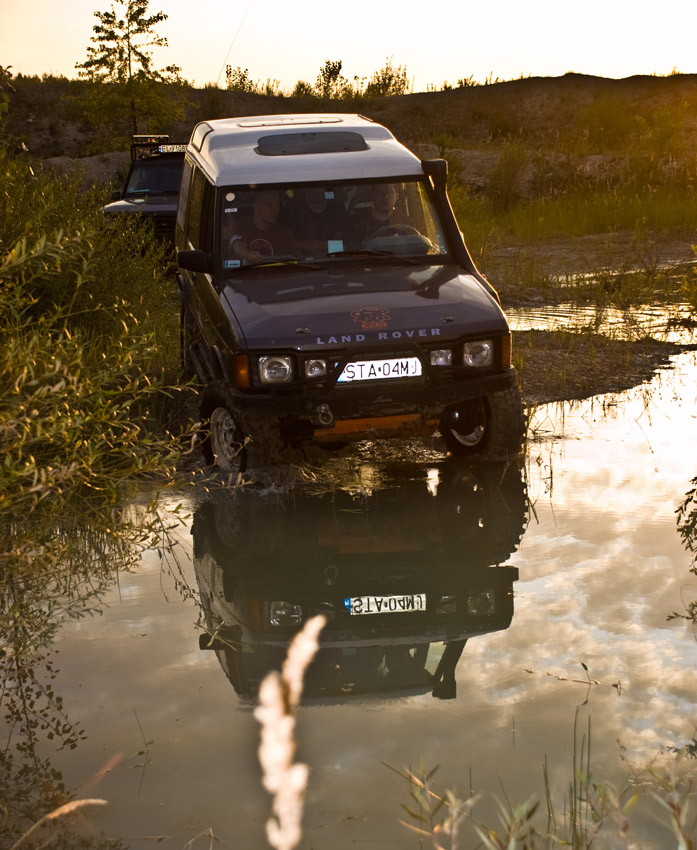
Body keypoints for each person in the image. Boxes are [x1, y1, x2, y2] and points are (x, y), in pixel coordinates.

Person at [229, 190, 298, 263]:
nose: (275, 210)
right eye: (269, 204)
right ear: (256, 206)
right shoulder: (240, 225)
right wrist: (248, 254)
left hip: (278, 273)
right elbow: (238, 247)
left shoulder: (284, 231)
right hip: (246, 272)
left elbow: (294, 257)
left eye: (277, 205)